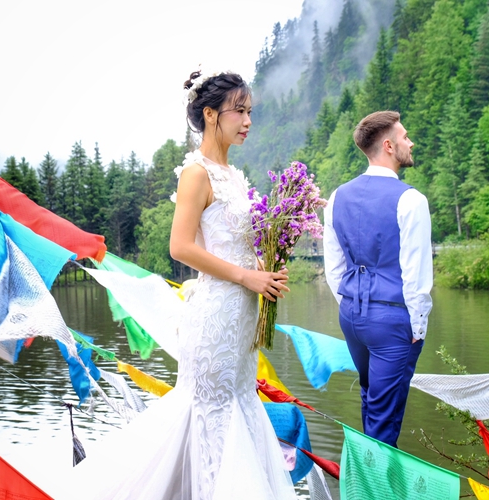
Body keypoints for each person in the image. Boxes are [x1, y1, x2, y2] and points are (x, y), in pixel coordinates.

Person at [61, 70, 297, 500]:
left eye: (250, 112)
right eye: (239, 111)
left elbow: (233, 245)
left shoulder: (234, 175)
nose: (248, 121)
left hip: (243, 319)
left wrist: (265, 269)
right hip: (215, 317)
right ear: (210, 114)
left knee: (240, 406)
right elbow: (181, 247)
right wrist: (246, 276)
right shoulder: (196, 173)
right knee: (211, 414)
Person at [323, 110, 433, 448]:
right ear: (388, 145)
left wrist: (352, 305)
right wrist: (417, 327)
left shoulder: (337, 196)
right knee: (385, 421)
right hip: (391, 322)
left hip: (352, 316)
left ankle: (364, 475)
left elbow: (334, 267)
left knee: (371, 402)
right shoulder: (411, 200)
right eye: (404, 137)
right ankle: (375, 479)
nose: (410, 143)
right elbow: (416, 274)